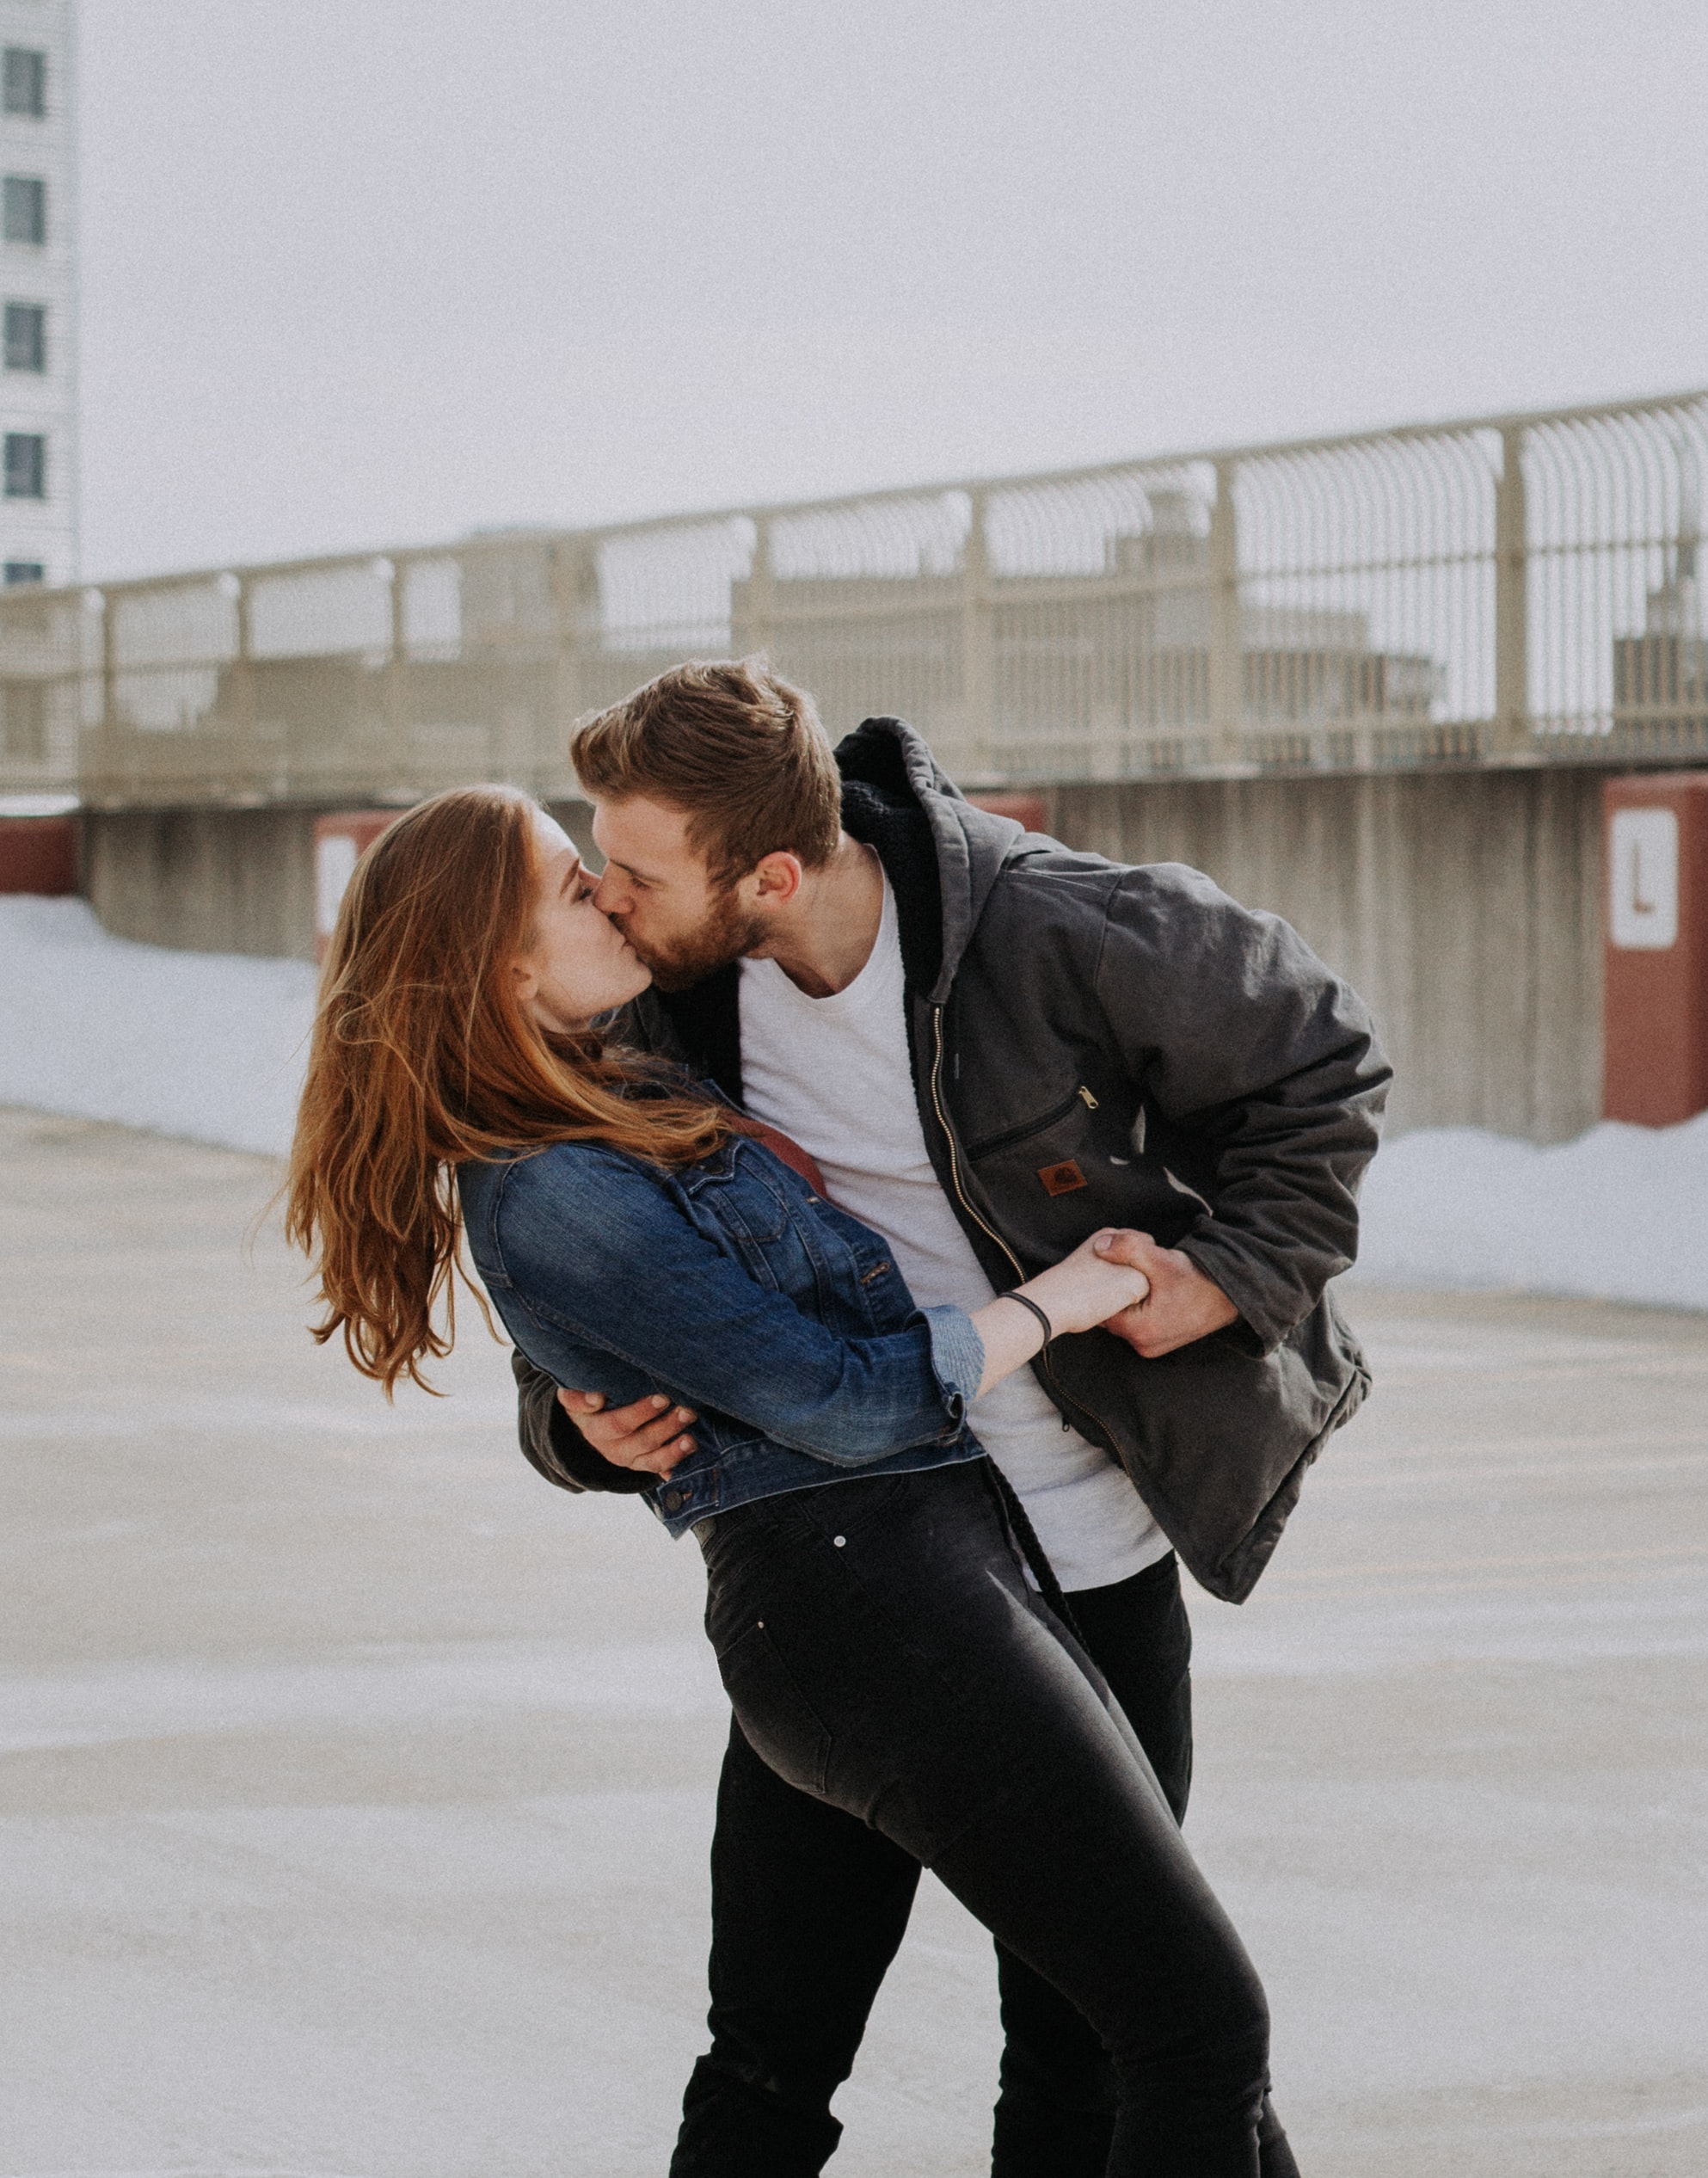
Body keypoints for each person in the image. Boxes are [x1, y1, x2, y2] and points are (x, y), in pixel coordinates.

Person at [284, 781, 1298, 2177]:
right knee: (1190, 2034)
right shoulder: (553, 1178)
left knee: (875, 2057)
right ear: (498, 966)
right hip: (872, 1601)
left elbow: (680, 1332)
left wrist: (585, 1422)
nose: (613, 895)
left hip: (919, 1583)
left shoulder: (625, 1069)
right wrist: (1059, 1301)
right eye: (577, 886)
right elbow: (840, 1396)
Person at [514, 658, 1391, 2177]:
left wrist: (1226, 1276)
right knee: (773, 2046)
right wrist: (568, 1427)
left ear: (769, 874)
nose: (608, 895)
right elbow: (594, 1257)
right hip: (861, 1574)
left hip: (1091, 1559)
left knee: (1086, 2049)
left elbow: (1321, 1068)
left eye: (637, 870)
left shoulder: (1055, 928)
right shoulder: (666, 1004)